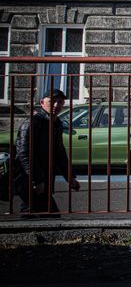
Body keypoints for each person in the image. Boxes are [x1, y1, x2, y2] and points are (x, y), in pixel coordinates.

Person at [14, 89, 80, 217]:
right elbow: (23, 153)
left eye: (60, 102)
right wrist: (36, 180)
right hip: (30, 177)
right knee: (52, 216)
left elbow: (59, 153)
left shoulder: (56, 124)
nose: (56, 105)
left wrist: (70, 176)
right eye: (52, 101)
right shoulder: (32, 123)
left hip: (44, 178)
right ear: (42, 103)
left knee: (30, 212)